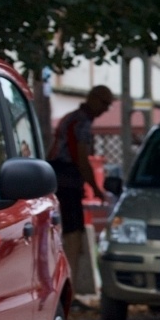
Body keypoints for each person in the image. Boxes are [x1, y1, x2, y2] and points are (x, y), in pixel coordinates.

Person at [49, 85, 114, 300]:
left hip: (60, 181)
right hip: (67, 183)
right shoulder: (81, 123)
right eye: (104, 103)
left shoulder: (72, 118)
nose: (105, 109)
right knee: (73, 238)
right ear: (93, 99)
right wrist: (95, 188)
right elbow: (81, 158)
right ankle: (69, 293)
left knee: (67, 236)